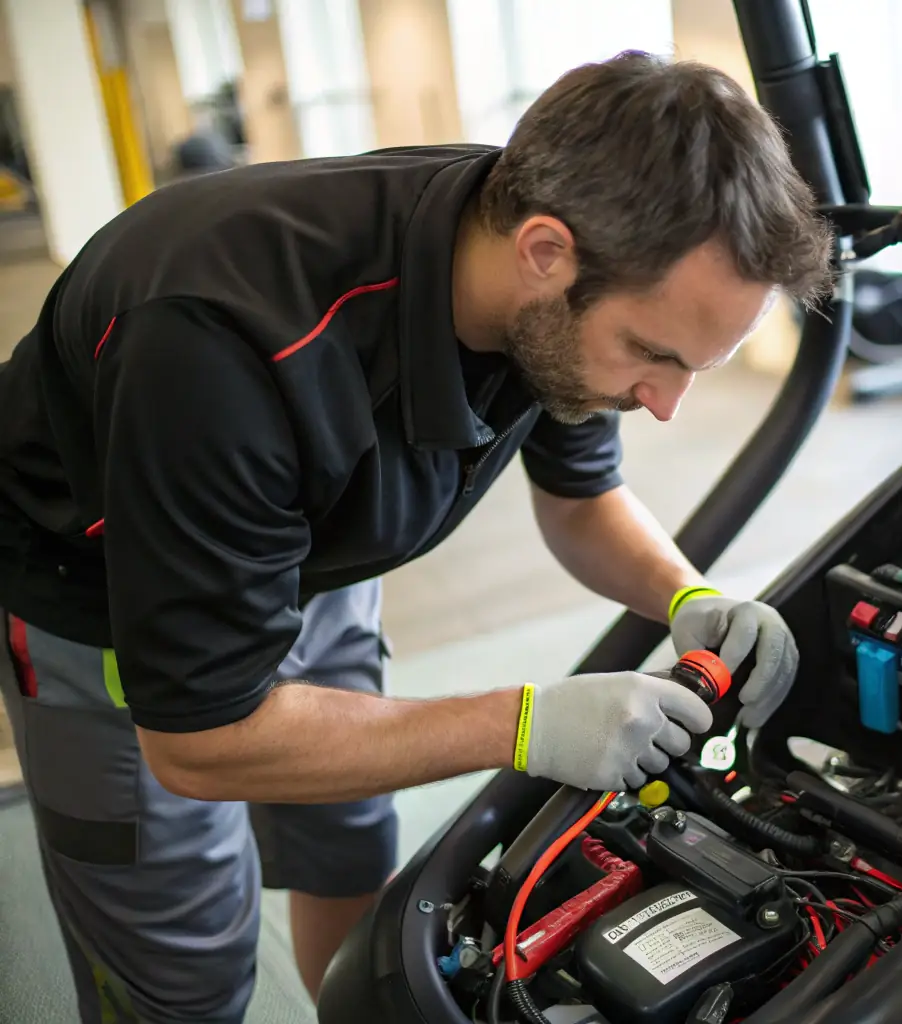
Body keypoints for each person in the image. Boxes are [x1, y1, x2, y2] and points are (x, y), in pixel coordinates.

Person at [0, 51, 834, 1023]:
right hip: (103, 593)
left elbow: (581, 503)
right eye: (653, 356)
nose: (665, 405)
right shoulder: (222, 341)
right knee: (183, 974)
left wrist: (690, 595)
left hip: (312, 549)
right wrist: (525, 722)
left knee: (352, 851)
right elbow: (201, 741)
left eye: (694, 364)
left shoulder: (555, 256)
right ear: (543, 252)